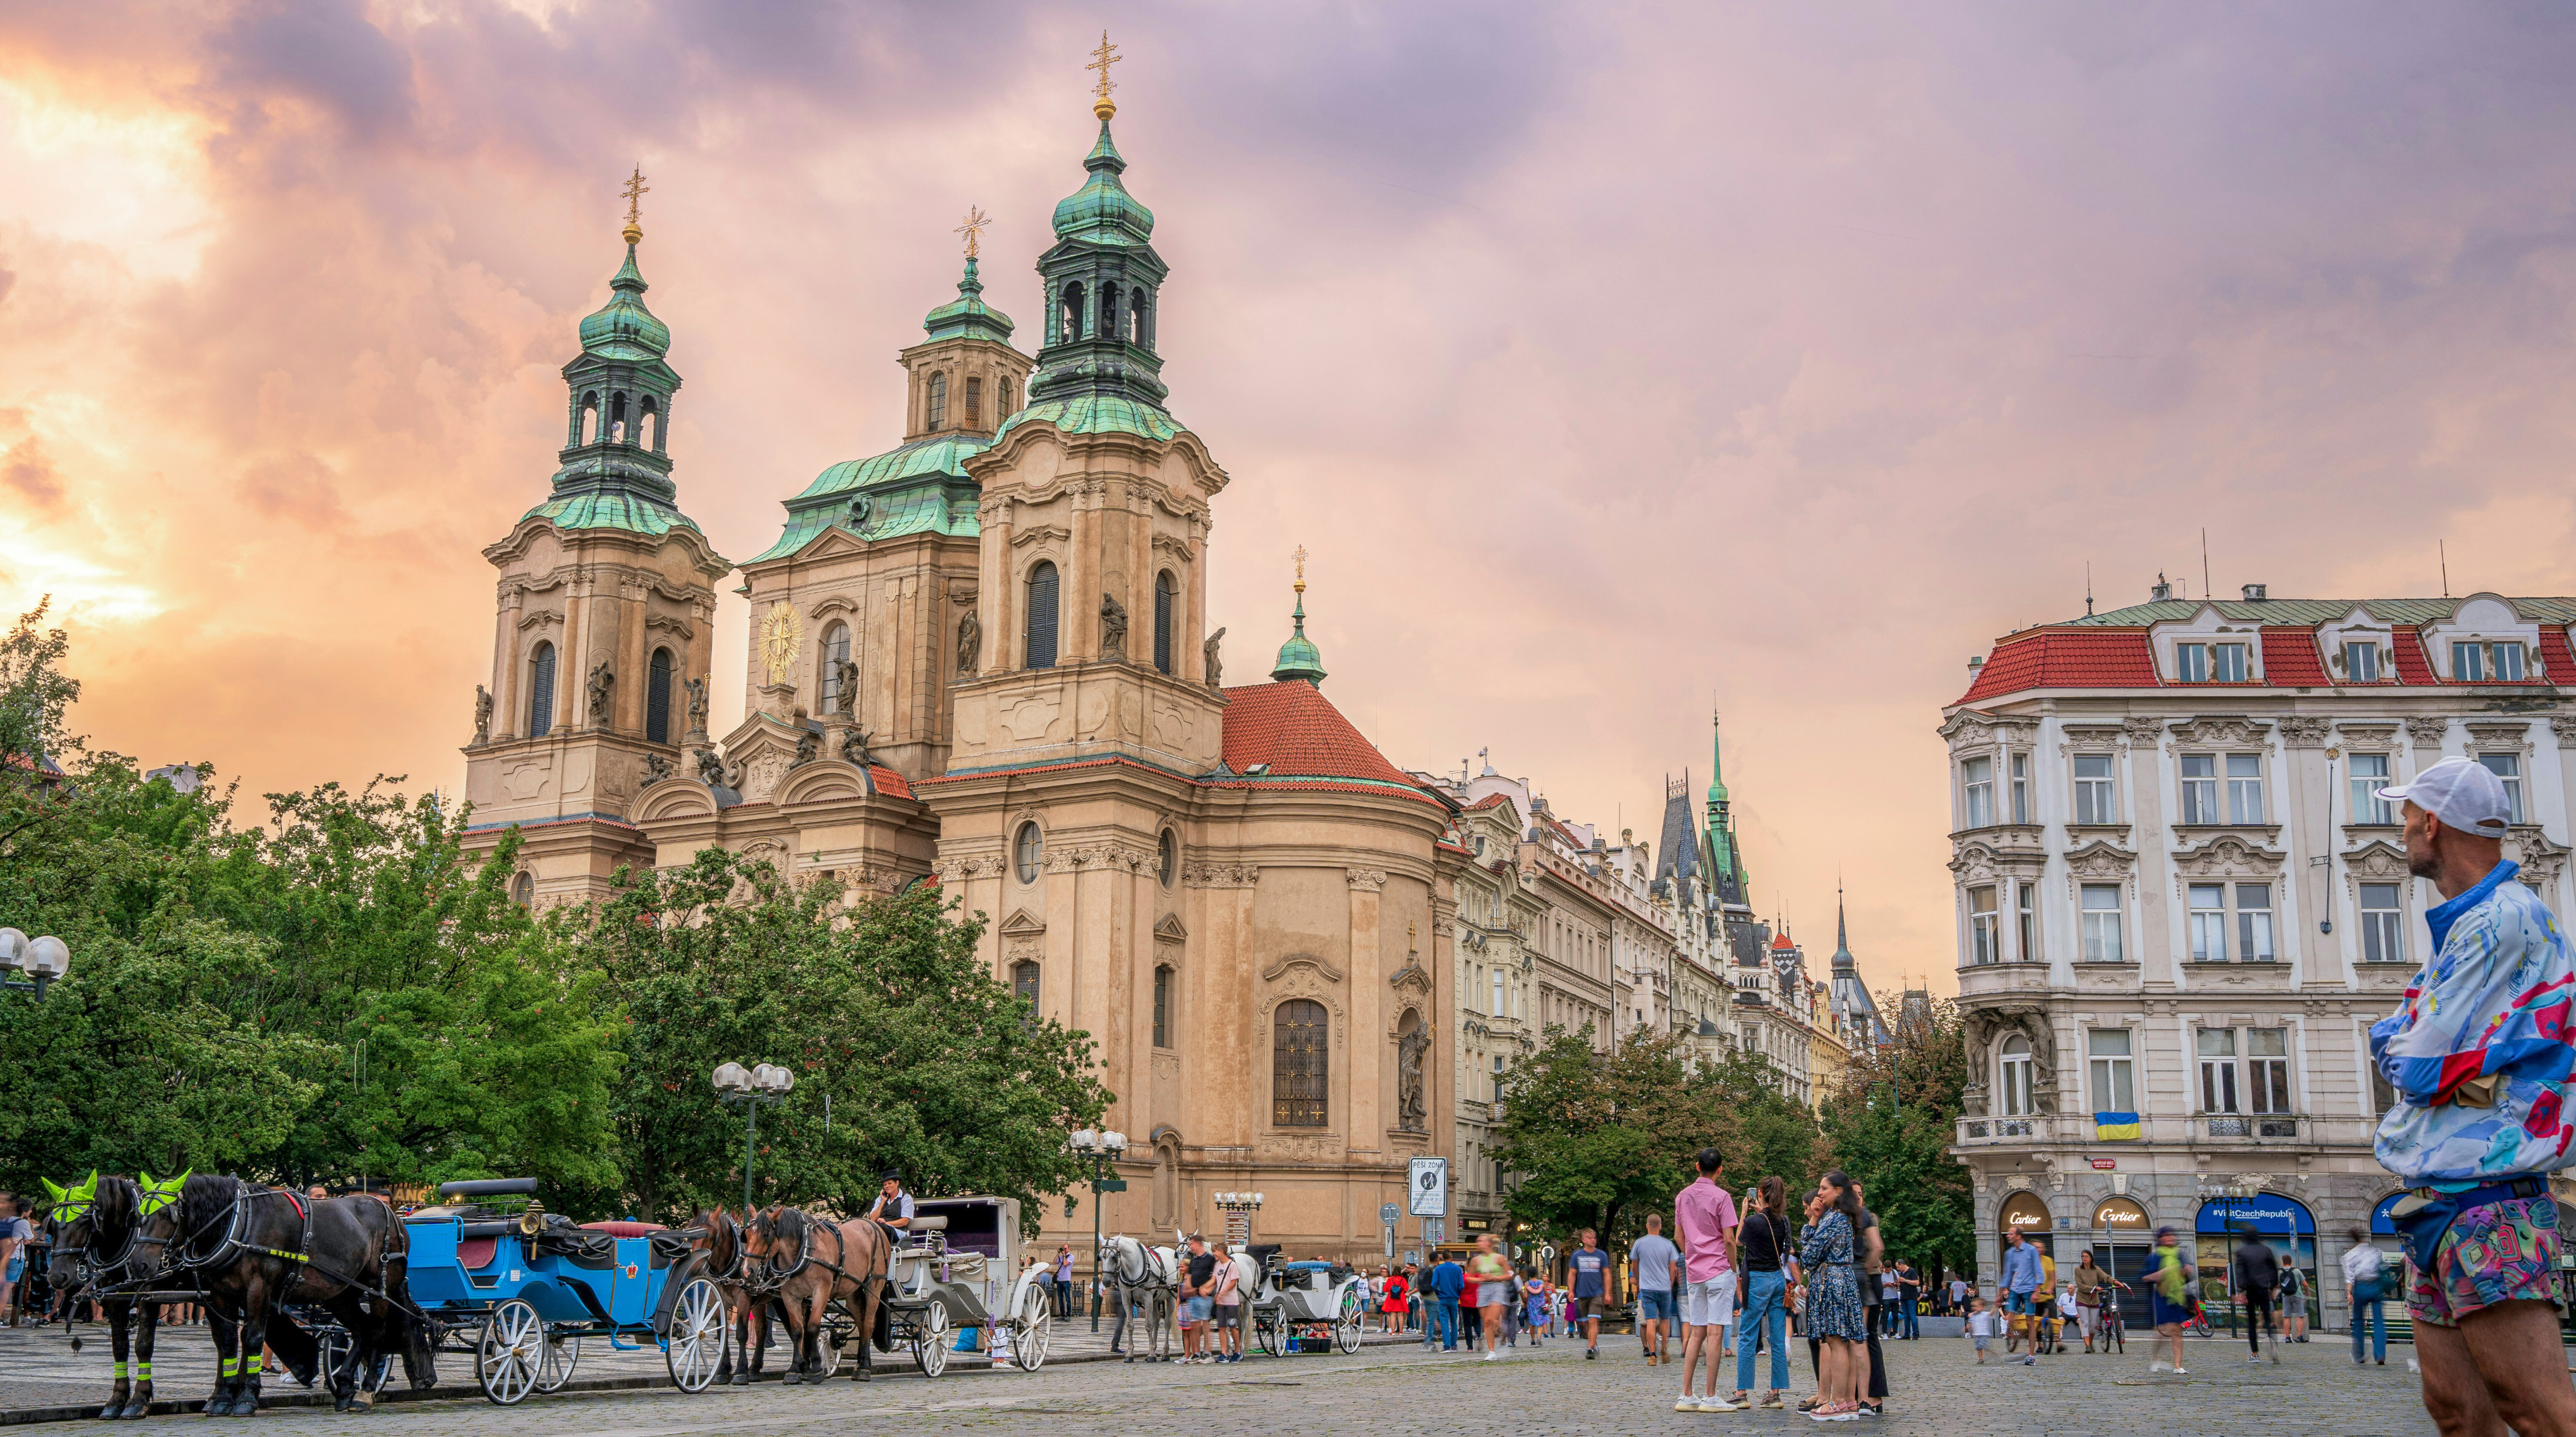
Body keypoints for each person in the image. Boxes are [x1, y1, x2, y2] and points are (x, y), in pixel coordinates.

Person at [2370, 757, 2576, 1436]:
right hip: (2440, 1200)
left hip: (2490, 1202)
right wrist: (2414, 1041)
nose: (2401, 831)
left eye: (2405, 818)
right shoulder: (2460, 926)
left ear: (2432, 823)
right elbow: (2406, 1037)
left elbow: (2416, 1060)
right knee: (2458, 1414)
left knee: (2536, 1411)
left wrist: (2410, 1043)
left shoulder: (2500, 922)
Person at [1669, 1148, 1739, 1410]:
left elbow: (1679, 1236)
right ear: (1720, 1170)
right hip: (1719, 1269)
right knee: (1716, 1331)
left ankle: (1687, 1394)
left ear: (1697, 1166)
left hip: (1696, 1271)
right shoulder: (1722, 1197)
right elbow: (1730, 1239)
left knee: (1697, 1331)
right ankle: (1711, 1396)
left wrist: (1694, 1255)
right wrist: (1732, 1268)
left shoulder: (1683, 1196)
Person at [1797, 1172, 1869, 1421]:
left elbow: (1808, 1256)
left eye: (1824, 1188)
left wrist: (1814, 1223)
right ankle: (1848, 1401)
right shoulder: (1842, 1217)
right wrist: (1816, 1219)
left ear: (1839, 1191)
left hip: (1832, 1282)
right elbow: (1810, 1247)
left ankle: (1837, 1402)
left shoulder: (1835, 1219)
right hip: (1842, 1280)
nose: (1819, 1193)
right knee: (1844, 1342)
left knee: (1835, 1341)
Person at [1723, 1174, 1793, 1411]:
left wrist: (1744, 1212)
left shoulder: (1754, 1222)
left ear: (1760, 1194)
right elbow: (1787, 1249)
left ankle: (1741, 1392)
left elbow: (1739, 1241)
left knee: (1748, 1334)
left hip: (1759, 1280)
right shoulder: (1784, 1221)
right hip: (1778, 1279)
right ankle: (1775, 1393)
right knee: (1777, 1336)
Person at [1630, 1211, 1680, 1367]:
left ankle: (1653, 1355)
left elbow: (1634, 1266)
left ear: (1647, 1226)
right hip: (1664, 1288)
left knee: (1651, 1321)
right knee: (1665, 1320)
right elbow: (1674, 1268)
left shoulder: (1639, 1243)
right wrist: (1670, 1283)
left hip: (1647, 1288)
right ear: (1660, 1226)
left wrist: (1639, 1281)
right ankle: (1664, 1348)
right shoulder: (1668, 1244)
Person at [2147, 1226, 2195, 1376]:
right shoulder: (2156, 1257)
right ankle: (2155, 1358)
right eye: (2166, 1236)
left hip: (2177, 1296)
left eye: (2171, 1236)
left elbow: (2185, 1280)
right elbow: (2148, 1277)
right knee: (2163, 1331)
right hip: (2163, 1297)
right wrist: (2161, 1274)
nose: (2169, 1238)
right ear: (2160, 1239)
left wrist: (2186, 1273)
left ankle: (2178, 1366)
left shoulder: (2179, 1255)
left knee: (2176, 1330)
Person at [2343, 1225, 2393, 1366]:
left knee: (2358, 1322)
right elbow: (2385, 1269)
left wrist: (2349, 1293)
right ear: (2364, 1238)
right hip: (2376, 1287)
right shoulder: (2375, 1251)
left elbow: (2350, 1278)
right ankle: (2380, 1355)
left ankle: (2359, 1356)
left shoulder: (2349, 1256)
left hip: (2360, 1288)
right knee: (2379, 1322)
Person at [2232, 1231, 2281, 1364]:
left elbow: (2240, 1273)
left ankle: (2255, 1354)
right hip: (2264, 1289)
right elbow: (2274, 1270)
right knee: (2268, 1319)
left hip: (2250, 1290)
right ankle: (2273, 1344)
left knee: (2252, 1323)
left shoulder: (2242, 1252)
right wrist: (2272, 1288)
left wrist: (2242, 1291)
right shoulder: (2266, 1250)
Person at [1999, 1227, 2042, 1364]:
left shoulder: (2031, 1251)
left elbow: (2039, 1272)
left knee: (2030, 1322)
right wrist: (1999, 1294)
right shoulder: (2010, 1253)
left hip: (2029, 1290)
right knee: (2009, 1312)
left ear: (2018, 1236)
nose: (2008, 1236)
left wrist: (2037, 1291)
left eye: (2011, 1234)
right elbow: (2007, 1275)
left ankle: (2031, 1355)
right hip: (2015, 1290)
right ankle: (2012, 1332)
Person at [1469, 1233, 1513, 1362]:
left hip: (1498, 1287)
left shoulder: (1499, 1258)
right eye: (1478, 1242)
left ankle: (1502, 1334)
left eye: (1481, 1241)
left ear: (1489, 1243)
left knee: (1490, 1318)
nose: (1479, 1244)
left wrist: (1496, 1278)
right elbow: (1468, 1277)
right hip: (1483, 1289)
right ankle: (1492, 1351)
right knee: (1487, 1322)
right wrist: (1480, 1279)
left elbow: (1510, 1274)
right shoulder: (1476, 1260)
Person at [1568, 1229, 1611, 1359]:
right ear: (1583, 1240)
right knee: (1585, 1323)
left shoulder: (1601, 1255)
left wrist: (1608, 1293)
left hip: (1597, 1293)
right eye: (1590, 1238)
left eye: (1594, 1238)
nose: (1593, 1240)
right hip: (1582, 1293)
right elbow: (1572, 1274)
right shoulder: (1577, 1256)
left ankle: (1590, 1349)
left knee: (1593, 1321)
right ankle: (1594, 1343)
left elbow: (1607, 1274)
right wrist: (1571, 1291)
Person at [1177, 1233, 1215, 1364]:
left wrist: (1207, 1288)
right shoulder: (1194, 1260)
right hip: (1193, 1297)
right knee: (1193, 1325)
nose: (1190, 1247)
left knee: (1205, 1325)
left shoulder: (1210, 1259)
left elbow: (1214, 1278)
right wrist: (1187, 1290)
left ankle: (1208, 1353)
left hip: (1205, 1297)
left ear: (1198, 1244)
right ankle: (1196, 1353)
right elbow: (1189, 1278)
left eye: (1192, 1245)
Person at [2072, 1250, 2112, 1352]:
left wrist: (2116, 1282)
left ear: (2091, 1258)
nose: (2084, 1258)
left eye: (2086, 1256)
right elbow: (2080, 1285)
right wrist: (2094, 1288)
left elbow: (2106, 1277)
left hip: (2094, 1301)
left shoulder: (2096, 1269)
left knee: (2094, 1326)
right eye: (2083, 1257)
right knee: (2085, 1323)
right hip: (2082, 1300)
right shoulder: (2078, 1270)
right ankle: (2088, 1346)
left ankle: (2090, 1343)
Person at [1210, 1243, 1243, 1364]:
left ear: (1221, 1252)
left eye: (1215, 1252)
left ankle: (1238, 1352)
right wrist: (1206, 1288)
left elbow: (1233, 1283)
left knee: (1233, 1327)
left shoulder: (1232, 1265)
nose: (1214, 1254)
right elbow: (1214, 1280)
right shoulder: (1217, 1265)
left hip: (1232, 1303)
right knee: (1222, 1327)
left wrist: (1222, 1292)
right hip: (1221, 1303)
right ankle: (1224, 1353)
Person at [1426, 1252, 1464, 1351]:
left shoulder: (1439, 1269)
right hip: (1454, 1298)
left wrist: (1439, 1294)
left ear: (1442, 1258)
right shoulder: (1457, 1269)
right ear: (1452, 1257)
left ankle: (1446, 1346)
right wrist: (1457, 1294)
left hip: (1443, 1298)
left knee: (1444, 1322)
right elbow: (1461, 1285)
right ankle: (1454, 1345)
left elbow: (1434, 1284)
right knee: (1454, 1322)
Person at [0, 1194, 26, 1328]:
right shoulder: (10, 1224)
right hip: (15, 1259)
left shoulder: (6, 1226)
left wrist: (2, 1270)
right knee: (5, 1291)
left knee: (5, 1290)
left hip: (9, 1261)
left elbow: (7, 1248)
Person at [2279, 1255, 2308, 1343]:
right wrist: (2307, 1293)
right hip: (2298, 1296)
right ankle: (2299, 1337)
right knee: (2300, 1316)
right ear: (2291, 1262)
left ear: (2283, 1262)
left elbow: (2278, 1284)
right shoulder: (2297, 1271)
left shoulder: (2280, 1272)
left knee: (2287, 1317)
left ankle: (2288, 1338)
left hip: (2286, 1296)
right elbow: (2305, 1284)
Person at [1892, 1258, 1921, 1338]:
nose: (1898, 1269)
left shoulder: (1912, 1271)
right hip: (1903, 1297)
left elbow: (1917, 1283)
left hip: (1911, 1297)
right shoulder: (1902, 1273)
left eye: (1898, 1267)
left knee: (1912, 1316)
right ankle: (1907, 1334)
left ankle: (1915, 1334)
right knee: (1906, 1316)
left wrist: (1905, 1281)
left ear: (1902, 1265)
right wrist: (1899, 1284)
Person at [1967, 1296, 1997, 1363]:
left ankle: (1989, 1352)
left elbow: (1991, 1313)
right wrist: (1967, 1328)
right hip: (1977, 1334)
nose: (1975, 1308)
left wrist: (1995, 1306)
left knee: (1984, 1346)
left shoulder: (1984, 1314)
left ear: (1982, 1307)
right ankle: (1981, 1359)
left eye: (1977, 1307)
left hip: (1984, 1334)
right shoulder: (1973, 1316)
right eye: (1973, 1307)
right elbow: (1971, 1324)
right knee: (1979, 1348)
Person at [1055, 1244, 1075, 1320]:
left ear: (1069, 1249)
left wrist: (1064, 1256)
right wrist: (1058, 1254)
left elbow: (1066, 1264)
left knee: (1068, 1298)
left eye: (1065, 1249)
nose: (1064, 1250)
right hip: (1060, 1280)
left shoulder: (1071, 1257)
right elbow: (1054, 1263)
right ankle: (1062, 1315)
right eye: (1063, 1249)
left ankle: (1069, 1315)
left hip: (1066, 1280)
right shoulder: (1060, 1257)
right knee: (1060, 1299)